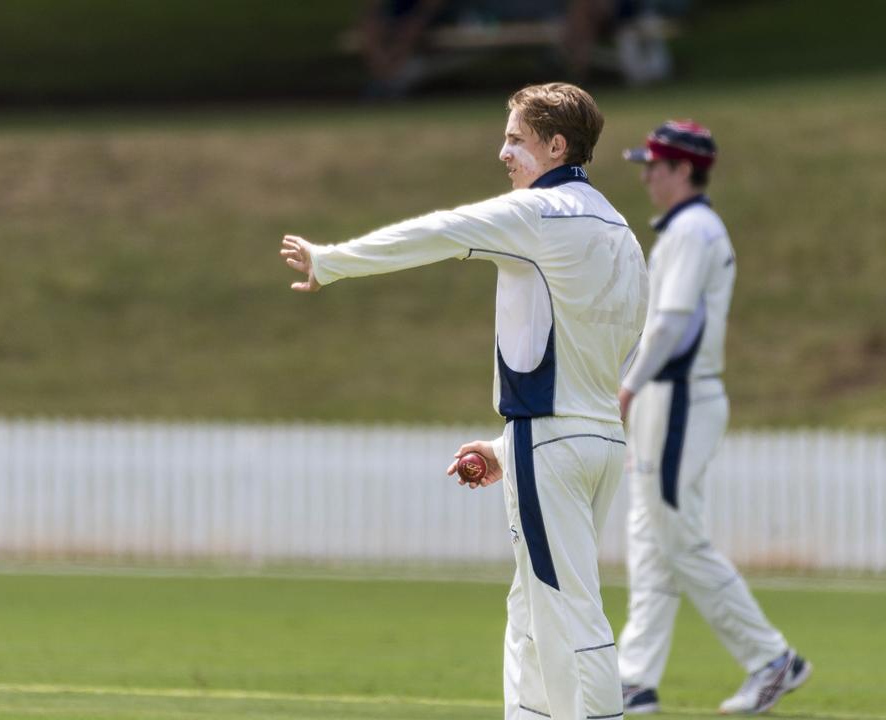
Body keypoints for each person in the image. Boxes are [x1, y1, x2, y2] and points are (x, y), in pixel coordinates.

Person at [280, 82, 648, 720]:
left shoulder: (539, 216)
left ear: (556, 146)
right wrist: (506, 448)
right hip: (596, 442)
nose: (502, 152)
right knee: (532, 610)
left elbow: (442, 231)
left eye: (515, 138)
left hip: (551, 442)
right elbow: (612, 355)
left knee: (565, 608)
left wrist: (333, 261)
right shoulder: (622, 233)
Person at [615, 120, 811, 715]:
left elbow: (673, 322)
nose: (646, 176)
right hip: (671, 397)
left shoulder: (694, 229)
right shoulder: (687, 228)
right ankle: (634, 681)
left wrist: (628, 386)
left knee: (674, 532)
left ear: (680, 170)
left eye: (653, 165)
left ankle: (773, 660)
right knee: (650, 536)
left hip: (679, 396)